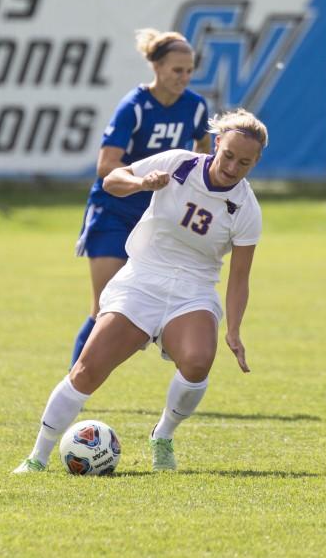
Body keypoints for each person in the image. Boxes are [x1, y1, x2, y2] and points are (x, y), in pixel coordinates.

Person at [14, 109, 266, 473]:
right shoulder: (179, 163)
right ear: (216, 144)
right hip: (143, 278)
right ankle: (37, 457)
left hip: (193, 290)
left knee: (197, 362)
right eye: (228, 155)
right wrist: (142, 183)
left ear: (255, 162)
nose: (232, 167)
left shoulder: (246, 208)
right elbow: (112, 179)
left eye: (244, 162)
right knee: (87, 370)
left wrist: (235, 330)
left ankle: (163, 435)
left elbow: (240, 277)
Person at [69, 28, 211, 368]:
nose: (184, 77)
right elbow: (106, 166)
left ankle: (162, 336)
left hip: (157, 220)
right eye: (177, 70)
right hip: (114, 213)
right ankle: (74, 385)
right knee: (104, 306)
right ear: (158, 68)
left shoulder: (195, 107)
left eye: (189, 70)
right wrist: (142, 181)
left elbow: (204, 153)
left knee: (160, 301)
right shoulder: (134, 107)